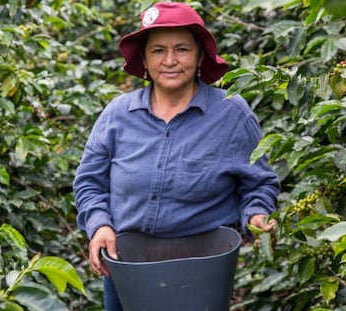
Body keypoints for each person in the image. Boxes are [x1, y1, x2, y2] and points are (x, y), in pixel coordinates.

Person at [73, 2, 280, 310]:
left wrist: (257, 215)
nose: (170, 61)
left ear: (199, 56)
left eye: (182, 49)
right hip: (129, 268)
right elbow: (90, 182)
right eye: (158, 50)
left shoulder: (231, 114)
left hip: (201, 273)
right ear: (144, 58)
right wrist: (99, 225)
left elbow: (258, 183)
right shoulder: (117, 115)